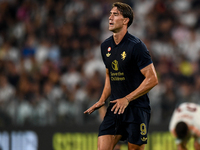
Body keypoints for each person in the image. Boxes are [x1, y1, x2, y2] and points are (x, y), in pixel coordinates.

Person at [84, 2, 158, 150]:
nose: (110, 17)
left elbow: (153, 79)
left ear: (126, 20)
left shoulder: (136, 46)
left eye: (115, 14)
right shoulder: (105, 46)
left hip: (136, 109)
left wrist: (127, 99)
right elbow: (109, 74)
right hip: (115, 107)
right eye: (110, 14)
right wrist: (103, 99)